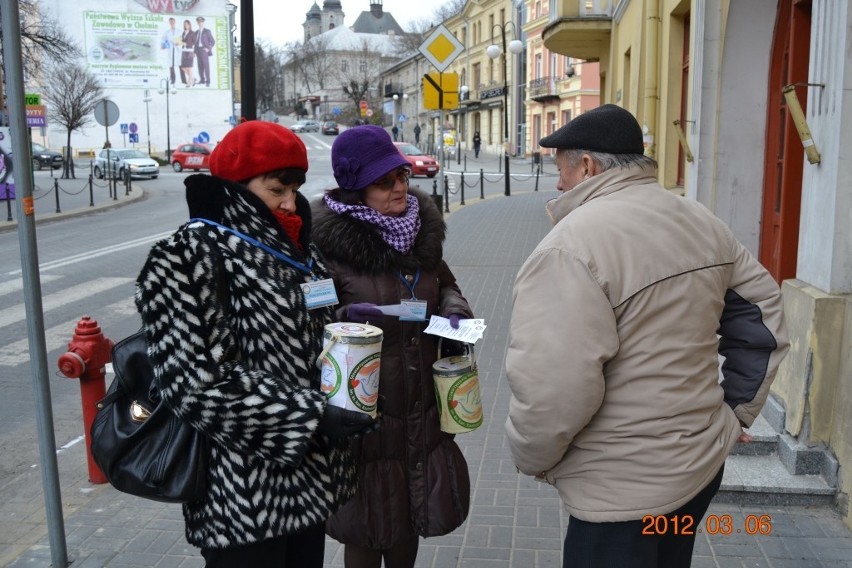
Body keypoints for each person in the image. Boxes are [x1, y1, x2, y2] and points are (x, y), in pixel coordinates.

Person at [504, 104, 789, 568]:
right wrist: (736, 413)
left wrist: (530, 455)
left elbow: (553, 387)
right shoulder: (701, 221)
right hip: (697, 471)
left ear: (589, 166)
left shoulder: (570, 247)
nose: (558, 184)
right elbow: (765, 319)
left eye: (561, 170)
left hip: (619, 493)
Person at [134, 121, 376, 567]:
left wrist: (350, 379)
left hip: (309, 481)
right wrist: (312, 417)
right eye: (276, 188)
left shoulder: (300, 249)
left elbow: (311, 340)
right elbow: (194, 385)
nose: (290, 201)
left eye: (296, 187)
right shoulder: (187, 255)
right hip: (241, 496)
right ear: (236, 186)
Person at [312, 124, 474, 568]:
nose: (399, 187)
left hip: (420, 408)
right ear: (356, 188)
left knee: (408, 522)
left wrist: (455, 310)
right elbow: (309, 319)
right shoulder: (328, 248)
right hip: (366, 412)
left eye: (402, 176)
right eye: (385, 181)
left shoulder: (421, 233)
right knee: (367, 530)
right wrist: (346, 318)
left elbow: (446, 285)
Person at [195, 16, 215, 87]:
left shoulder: (207, 31)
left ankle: (208, 81)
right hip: (198, 51)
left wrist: (208, 48)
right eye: (198, 22)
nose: (200, 23)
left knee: (206, 66)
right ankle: (202, 80)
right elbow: (195, 43)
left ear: (203, 22)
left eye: (201, 22)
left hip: (204, 50)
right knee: (200, 66)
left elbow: (212, 41)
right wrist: (194, 52)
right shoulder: (196, 32)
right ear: (197, 23)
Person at [160, 17, 181, 85]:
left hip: (178, 50)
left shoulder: (179, 31)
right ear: (169, 23)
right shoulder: (167, 32)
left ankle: (183, 79)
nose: (171, 23)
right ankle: (173, 79)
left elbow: (183, 39)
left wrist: (179, 43)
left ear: (175, 22)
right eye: (170, 22)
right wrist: (163, 45)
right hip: (170, 50)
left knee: (180, 65)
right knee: (171, 66)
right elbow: (163, 40)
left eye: (172, 22)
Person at [179, 19, 196, 88]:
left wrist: (186, 43)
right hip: (183, 51)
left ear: (189, 25)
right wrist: (179, 41)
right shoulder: (183, 33)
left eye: (187, 24)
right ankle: (193, 79)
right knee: (183, 68)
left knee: (189, 68)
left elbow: (194, 42)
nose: (186, 25)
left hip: (189, 51)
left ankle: (189, 82)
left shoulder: (193, 33)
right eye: (185, 24)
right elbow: (182, 41)